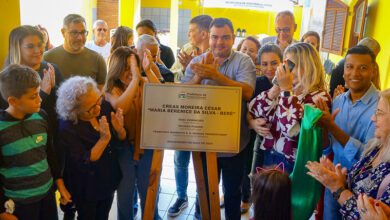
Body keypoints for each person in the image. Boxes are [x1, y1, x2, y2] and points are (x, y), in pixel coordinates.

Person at [182, 17, 256, 220]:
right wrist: (198, 78)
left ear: (233, 39)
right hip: (203, 142)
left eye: (225, 37)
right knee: (204, 191)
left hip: (234, 143)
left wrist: (216, 76)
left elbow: (248, 92)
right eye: (215, 37)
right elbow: (181, 96)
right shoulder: (198, 62)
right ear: (209, 37)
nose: (219, 42)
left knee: (233, 192)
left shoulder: (243, 61)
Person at [312, 45, 380, 220]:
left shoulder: (381, 106)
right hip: (334, 180)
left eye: (363, 68)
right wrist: (323, 127)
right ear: (343, 72)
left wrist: (332, 126)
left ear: (373, 71)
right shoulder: (339, 100)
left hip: (364, 189)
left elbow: (369, 156)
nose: (355, 73)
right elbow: (328, 148)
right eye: (349, 67)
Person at [307, 88, 390, 219]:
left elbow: (367, 216)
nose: (373, 118)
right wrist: (339, 180)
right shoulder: (377, 147)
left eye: (379, 113)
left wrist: (337, 188)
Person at [0, 64, 70, 220]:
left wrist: (60, 184)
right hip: (19, 204)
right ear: (13, 100)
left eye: (38, 93)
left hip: (46, 196)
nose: (40, 99)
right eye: (33, 96)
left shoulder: (41, 116)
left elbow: (50, 154)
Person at [249, 42, 331, 174]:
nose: (286, 70)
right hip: (270, 155)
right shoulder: (288, 89)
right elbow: (255, 112)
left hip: (294, 162)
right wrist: (275, 89)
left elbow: (292, 130)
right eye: (285, 65)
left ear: (307, 66)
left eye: (290, 65)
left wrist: (286, 91)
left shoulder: (319, 96)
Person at [104, 46, 162, 220]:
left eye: (133, 67)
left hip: (147, 146)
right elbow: (121, 106)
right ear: (116, 68)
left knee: (149, 190)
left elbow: (163, 95)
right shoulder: (110, 89)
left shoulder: (143, 82)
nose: (130, 73)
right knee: (126, 195)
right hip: (123, 149)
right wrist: (136, 77)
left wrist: (148, 70)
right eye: (126, 68)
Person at [56, 76, 124, 220]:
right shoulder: (67, 127)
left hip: (108, 179)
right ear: (74, 111)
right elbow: (84, 160)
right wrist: (104, 140)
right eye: (90, 108)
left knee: (103, 215)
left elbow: (120, 141)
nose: (98, 108)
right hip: (86, 187)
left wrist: (119, 130)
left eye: (98, 100)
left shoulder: (104, 106)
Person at [3, 25, 64, 134]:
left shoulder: (52, 68)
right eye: (30, 46)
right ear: (17, 49)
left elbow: (63, 108)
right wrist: (43, 94)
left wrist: (54, 88)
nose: (38, 50)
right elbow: (10, 116)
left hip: (53, 134)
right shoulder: (7, 78)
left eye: (40, 45)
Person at [44, 14, 107, 89]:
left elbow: (101, 94)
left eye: (83, 32)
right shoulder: (47, 58)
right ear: (63, 32)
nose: (80, 38)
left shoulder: (97, 60)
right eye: (74, 33)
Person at [170, 15, 212, 82]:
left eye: (191, 31)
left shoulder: (216, 53)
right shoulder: (187, 49)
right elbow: (170, 75)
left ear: (203, 34)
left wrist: (195, 68)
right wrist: (185, 70)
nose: (188, 34)